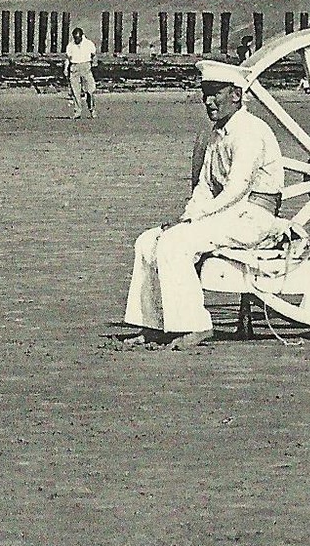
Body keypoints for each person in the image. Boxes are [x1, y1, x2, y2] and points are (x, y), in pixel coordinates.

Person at [122, 61, 287, 350]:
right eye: (204, 93)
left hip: (253, 217)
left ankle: (196, 326)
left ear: (236, 95)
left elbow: (237, 189)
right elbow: (205, 187)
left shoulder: (249, 131)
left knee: (175, 243)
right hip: (229, 215)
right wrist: (187, 217)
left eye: (215, 93)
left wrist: (192, 222)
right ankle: (154, 325)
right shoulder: (217, 133)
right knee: (148, 241)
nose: (208, 101)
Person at [64, 26, 98, 119]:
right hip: (74, 68)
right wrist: (65, 69)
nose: (77, 40)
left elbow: (94, 55)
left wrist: (94, 64)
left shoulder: (88, 44)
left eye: (78, 38)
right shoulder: (70, 45)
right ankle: (77, 111)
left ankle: (92, 110)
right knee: (75, 92)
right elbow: (68, 59)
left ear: (82, 36)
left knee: (90, 90)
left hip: (85, 67)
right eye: (75, 38)